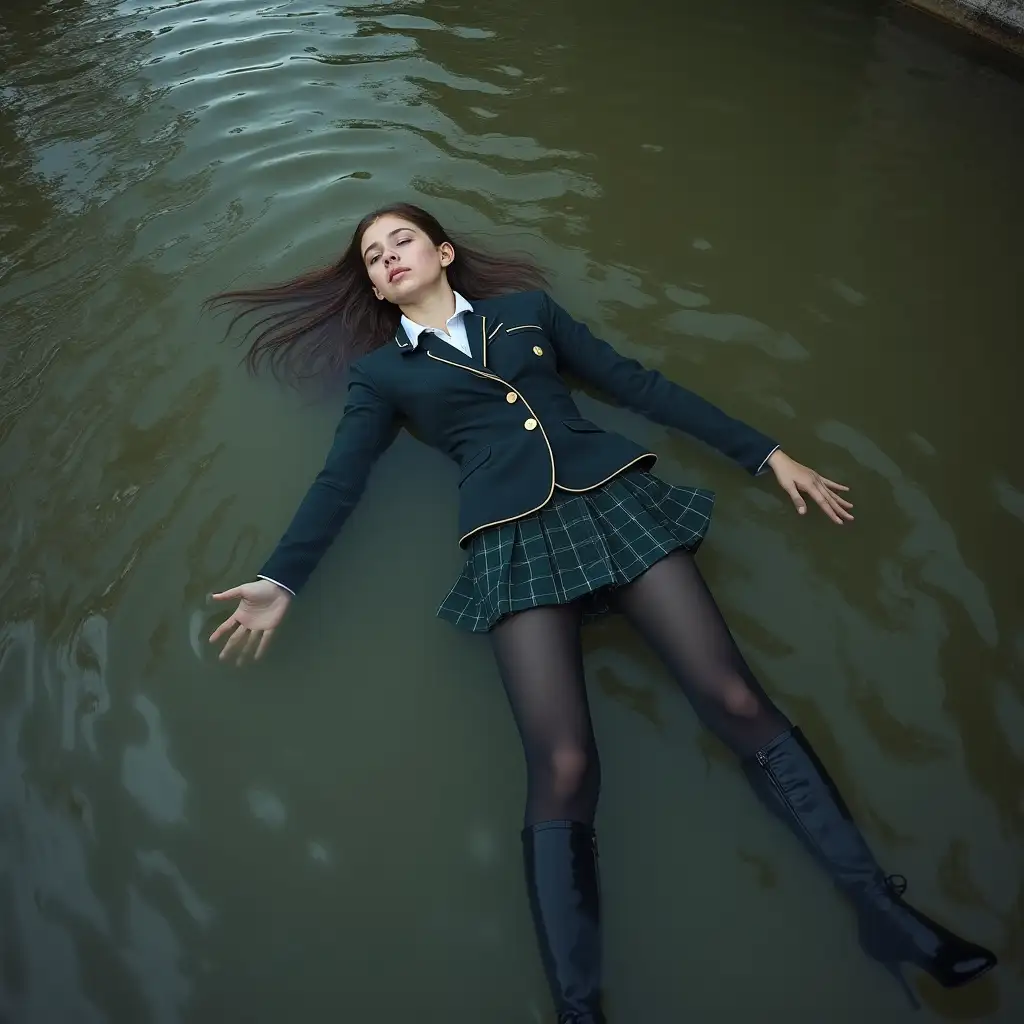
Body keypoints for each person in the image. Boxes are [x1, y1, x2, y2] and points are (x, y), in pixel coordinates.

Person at [205, 203, 996, 1021]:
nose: (387, 257)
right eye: (372, 257)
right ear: (373, 287)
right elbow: (343, 479)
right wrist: (282, 579)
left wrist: (766, 454)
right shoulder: (383, 376)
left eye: (400, 239)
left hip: (615, 504)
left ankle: (882, 913)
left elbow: (636, 384)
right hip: (510, 544)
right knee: (565, 767)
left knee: (735, 700)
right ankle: (580, 1012)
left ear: (441, 250)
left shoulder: (527, 315)